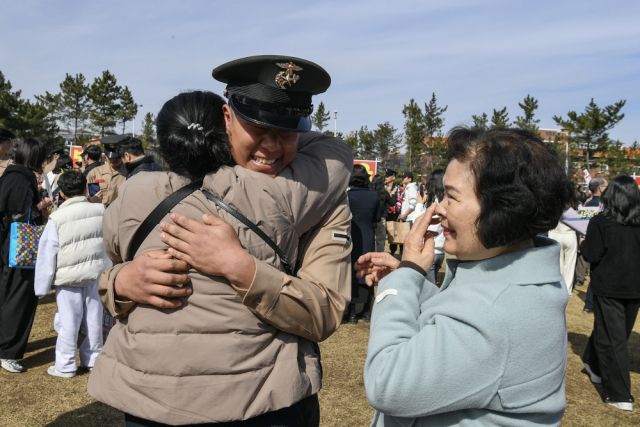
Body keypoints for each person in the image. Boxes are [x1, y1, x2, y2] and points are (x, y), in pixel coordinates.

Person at [89, 56, 352, 426]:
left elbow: (324, 310)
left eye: (288, 131)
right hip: (168, 407)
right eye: (257, 127)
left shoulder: (321, 198)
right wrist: (122, 281)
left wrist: (241, 268)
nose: (273, 146)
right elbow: (117, 262)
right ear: (226, 118)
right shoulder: (312, 187)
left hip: (262, 405)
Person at [356, 127, 571, 426]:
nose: (438, 209)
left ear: (503, 209)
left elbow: (386, 382)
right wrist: (414, 285)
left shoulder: (498, 313)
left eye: (451, 197)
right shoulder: (519, 287)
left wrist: (405, 278)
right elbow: (459, 323)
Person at [34, 170, 107, 378]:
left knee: (68, 321)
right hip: (96, 273)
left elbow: (47, 253)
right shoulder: (101, 210)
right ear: (85, 189)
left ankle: (65, 365)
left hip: (69, 278)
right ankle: (93, 358)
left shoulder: (56, 218)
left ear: (62, 194)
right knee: (94, 319)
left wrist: (41, 287)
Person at [580, 176, 640, 412]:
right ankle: (594, 365)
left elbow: (591, 254)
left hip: (611, 287)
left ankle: (618, 393)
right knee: (616, 334)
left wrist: (584, 243)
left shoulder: (601, 222)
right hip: (630, 288)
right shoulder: (606, 221)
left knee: (613, 338)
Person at [0, 138, 53, 373]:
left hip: (8, 247)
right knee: (19, 298)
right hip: (19, 248)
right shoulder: (22, 179)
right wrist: (42, 205)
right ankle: (8, 351)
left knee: (8, 294)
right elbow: (18, 216)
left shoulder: (10, 176)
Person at [347, 164, 383, 324]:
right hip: (368, 236)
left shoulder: (347, 196)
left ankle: (352, 313)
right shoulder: (374, 196)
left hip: (351, 238)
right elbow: (377, 218)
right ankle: (367, 312)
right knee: (368, 270)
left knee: (351, 271)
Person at [582, 175, 608, 313]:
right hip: (601, 243)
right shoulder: (606, 205)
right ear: (601, 188)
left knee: (593, 274)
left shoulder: (587, 204)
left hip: (588, 242)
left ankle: (589, 304)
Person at [548, 185, 579, 296]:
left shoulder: (555, 205)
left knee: (557, 263)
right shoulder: (576, 206)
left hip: (555, 234)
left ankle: (557, 286)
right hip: (570, 235)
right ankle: (567, 289)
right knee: (569, 264)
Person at [86, 135, 128, 207]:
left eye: (116, 157)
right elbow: (86, 196)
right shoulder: (94, 173)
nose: (113, 160)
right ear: (105, 155)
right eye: (110, 157)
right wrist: (91, 199)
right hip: (99, 214)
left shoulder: (129, 174)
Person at [425, 168, 445, 284]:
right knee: (432, 281)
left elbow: (432, 227)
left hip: (431, 249)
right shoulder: (446, 201)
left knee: (429, 286)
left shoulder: (434, 202)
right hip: (441, 250)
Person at [371, 174, 396, 253]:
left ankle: (370, 254)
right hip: (381, 218)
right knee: (380, 240)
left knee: (370, 238)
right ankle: (379, 257)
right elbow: (392, 203)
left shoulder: (370, 191)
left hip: (370, 217)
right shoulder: (384, 192)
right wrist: (394, 194)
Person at [384, 168, 402, 256]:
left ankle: (392, 252)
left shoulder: (398, 188)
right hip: (384, 214)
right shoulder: (383, 187)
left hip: (394, 215)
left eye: (388, 176)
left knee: (393, 235)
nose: (386, 177)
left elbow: (400, 200)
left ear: (393, 177)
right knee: (382, 235)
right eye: (385, 176)